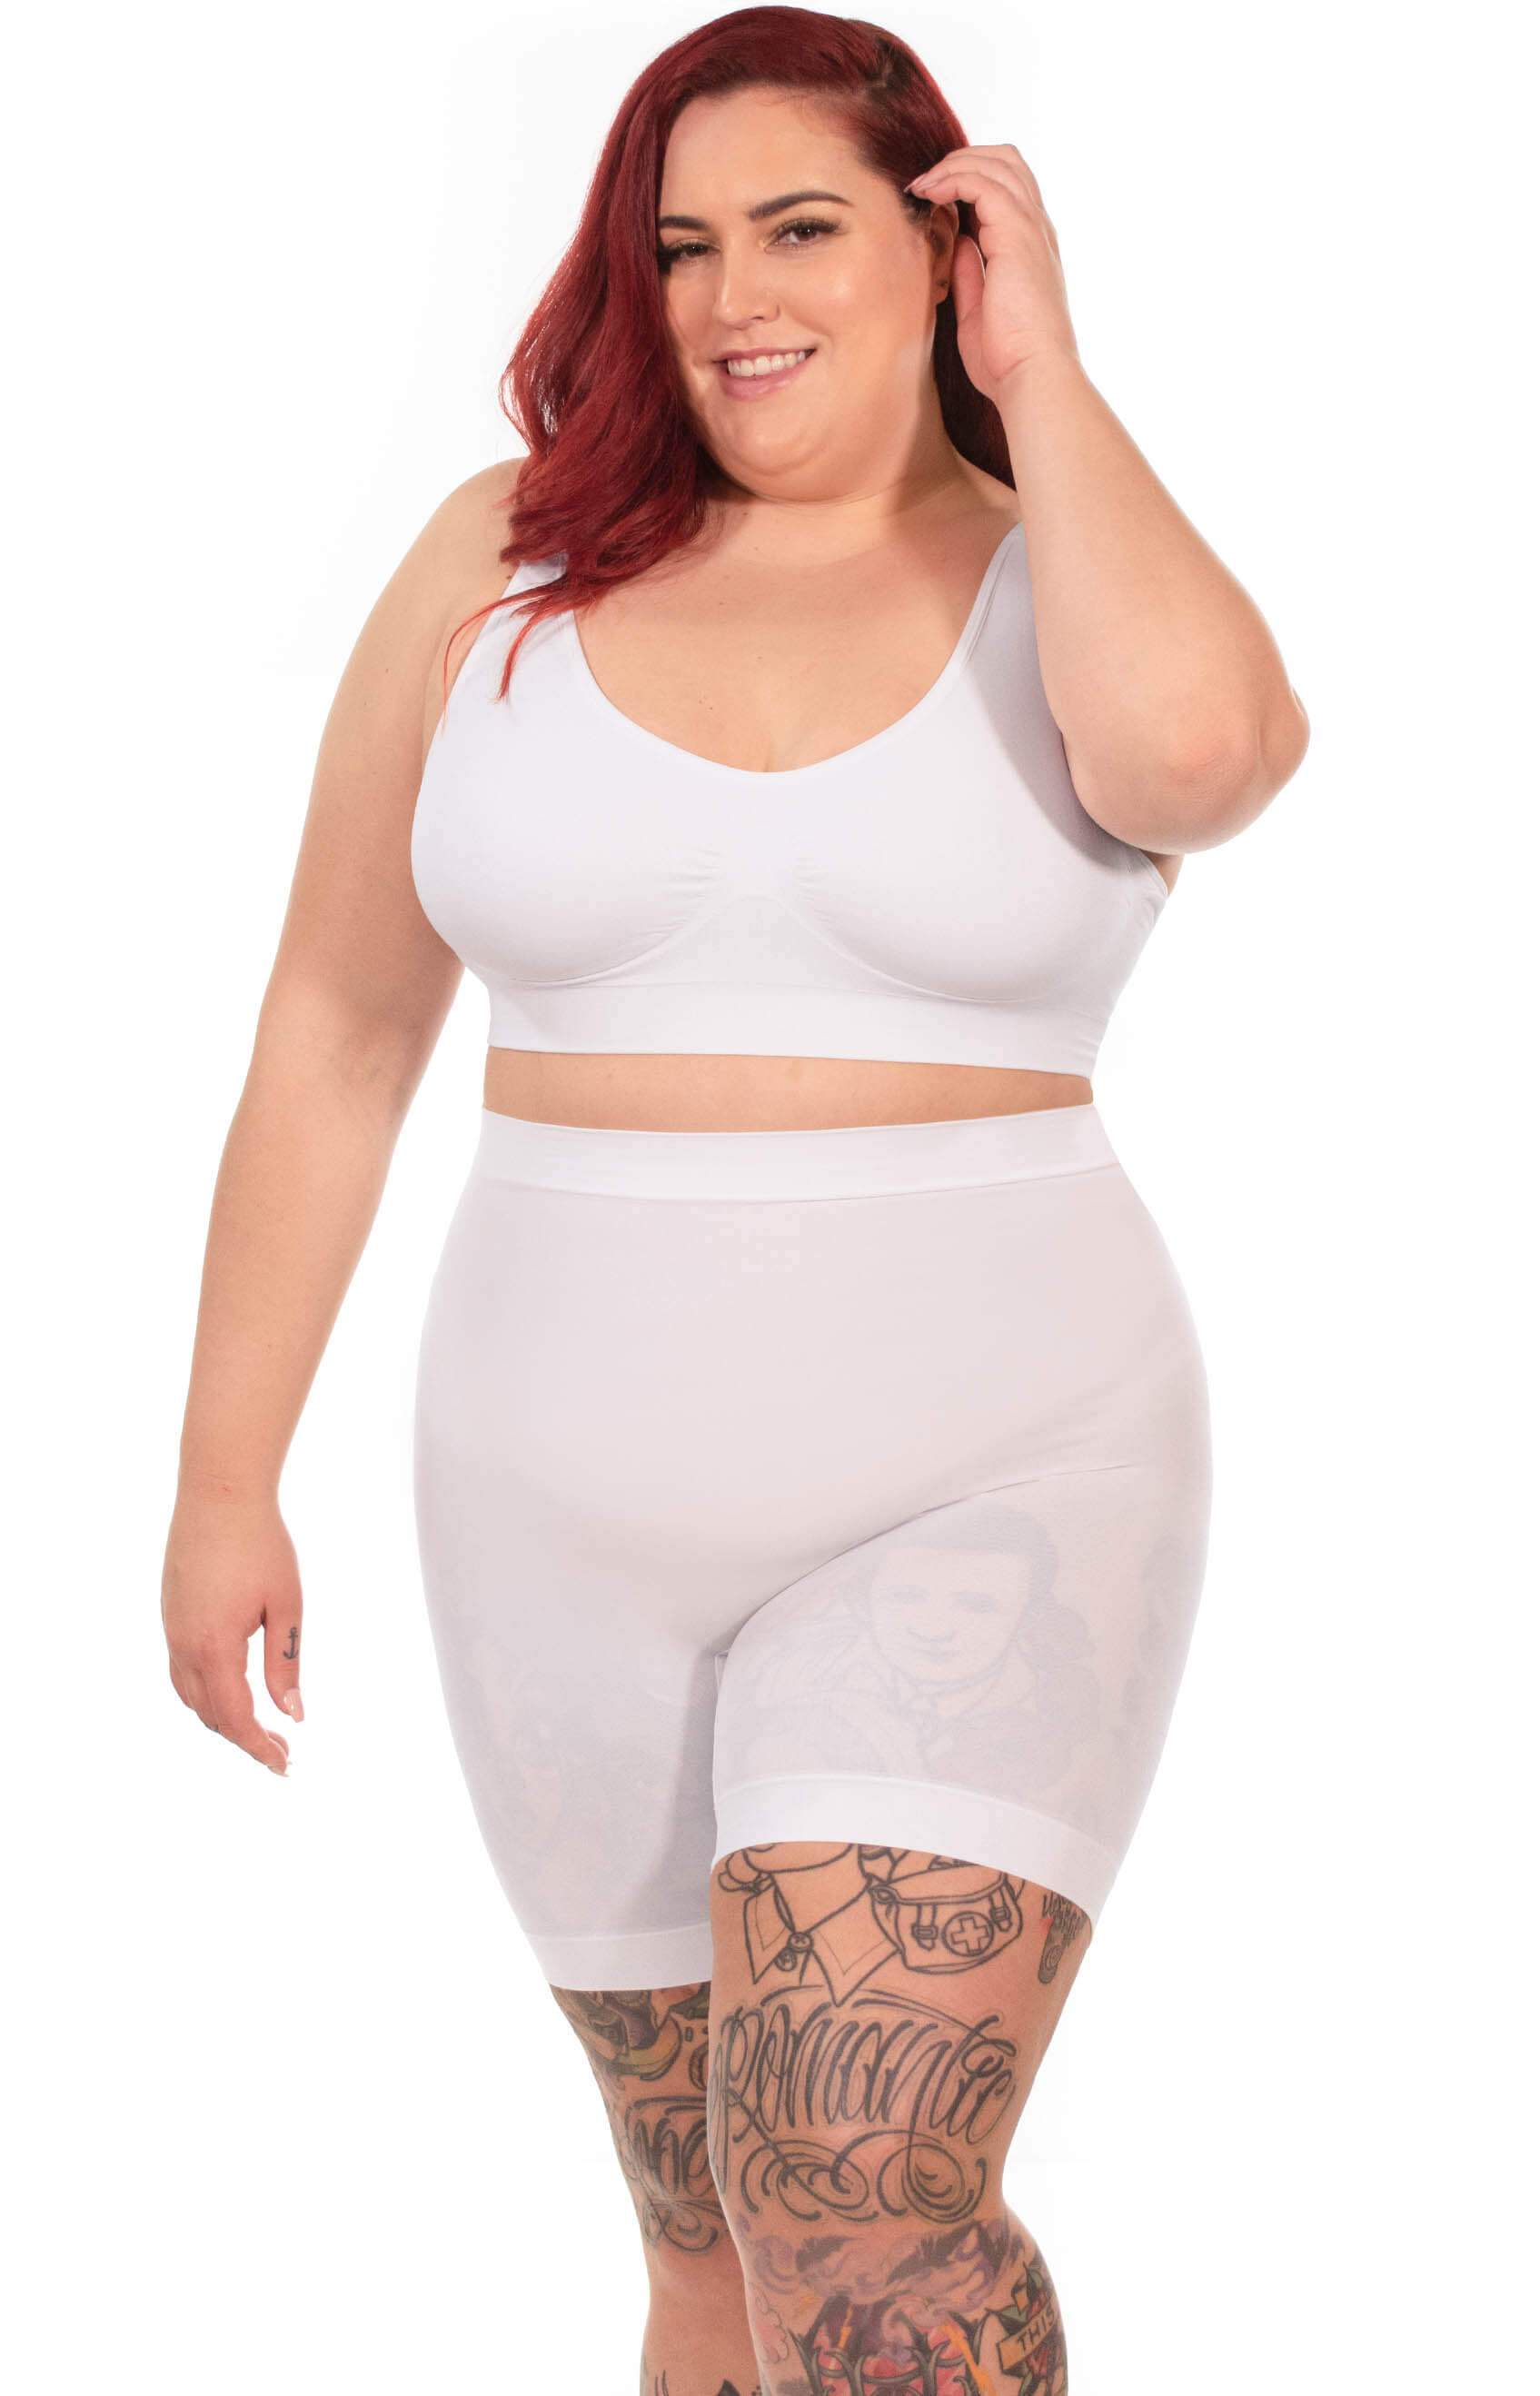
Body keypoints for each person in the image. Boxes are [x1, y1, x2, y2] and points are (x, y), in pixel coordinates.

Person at [160, 9, 1309, 2391]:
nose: (729, 298)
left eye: (799, 229)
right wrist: (221, 1479)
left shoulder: (1061, 566)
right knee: (709, 2246)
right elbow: (339, 1030)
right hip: (547, 1514)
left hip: (993, 1476)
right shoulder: (498, 565)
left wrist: (1045, 377)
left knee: (861, 2199)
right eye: (679, 247)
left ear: (942, 246)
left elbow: (1208, 759)